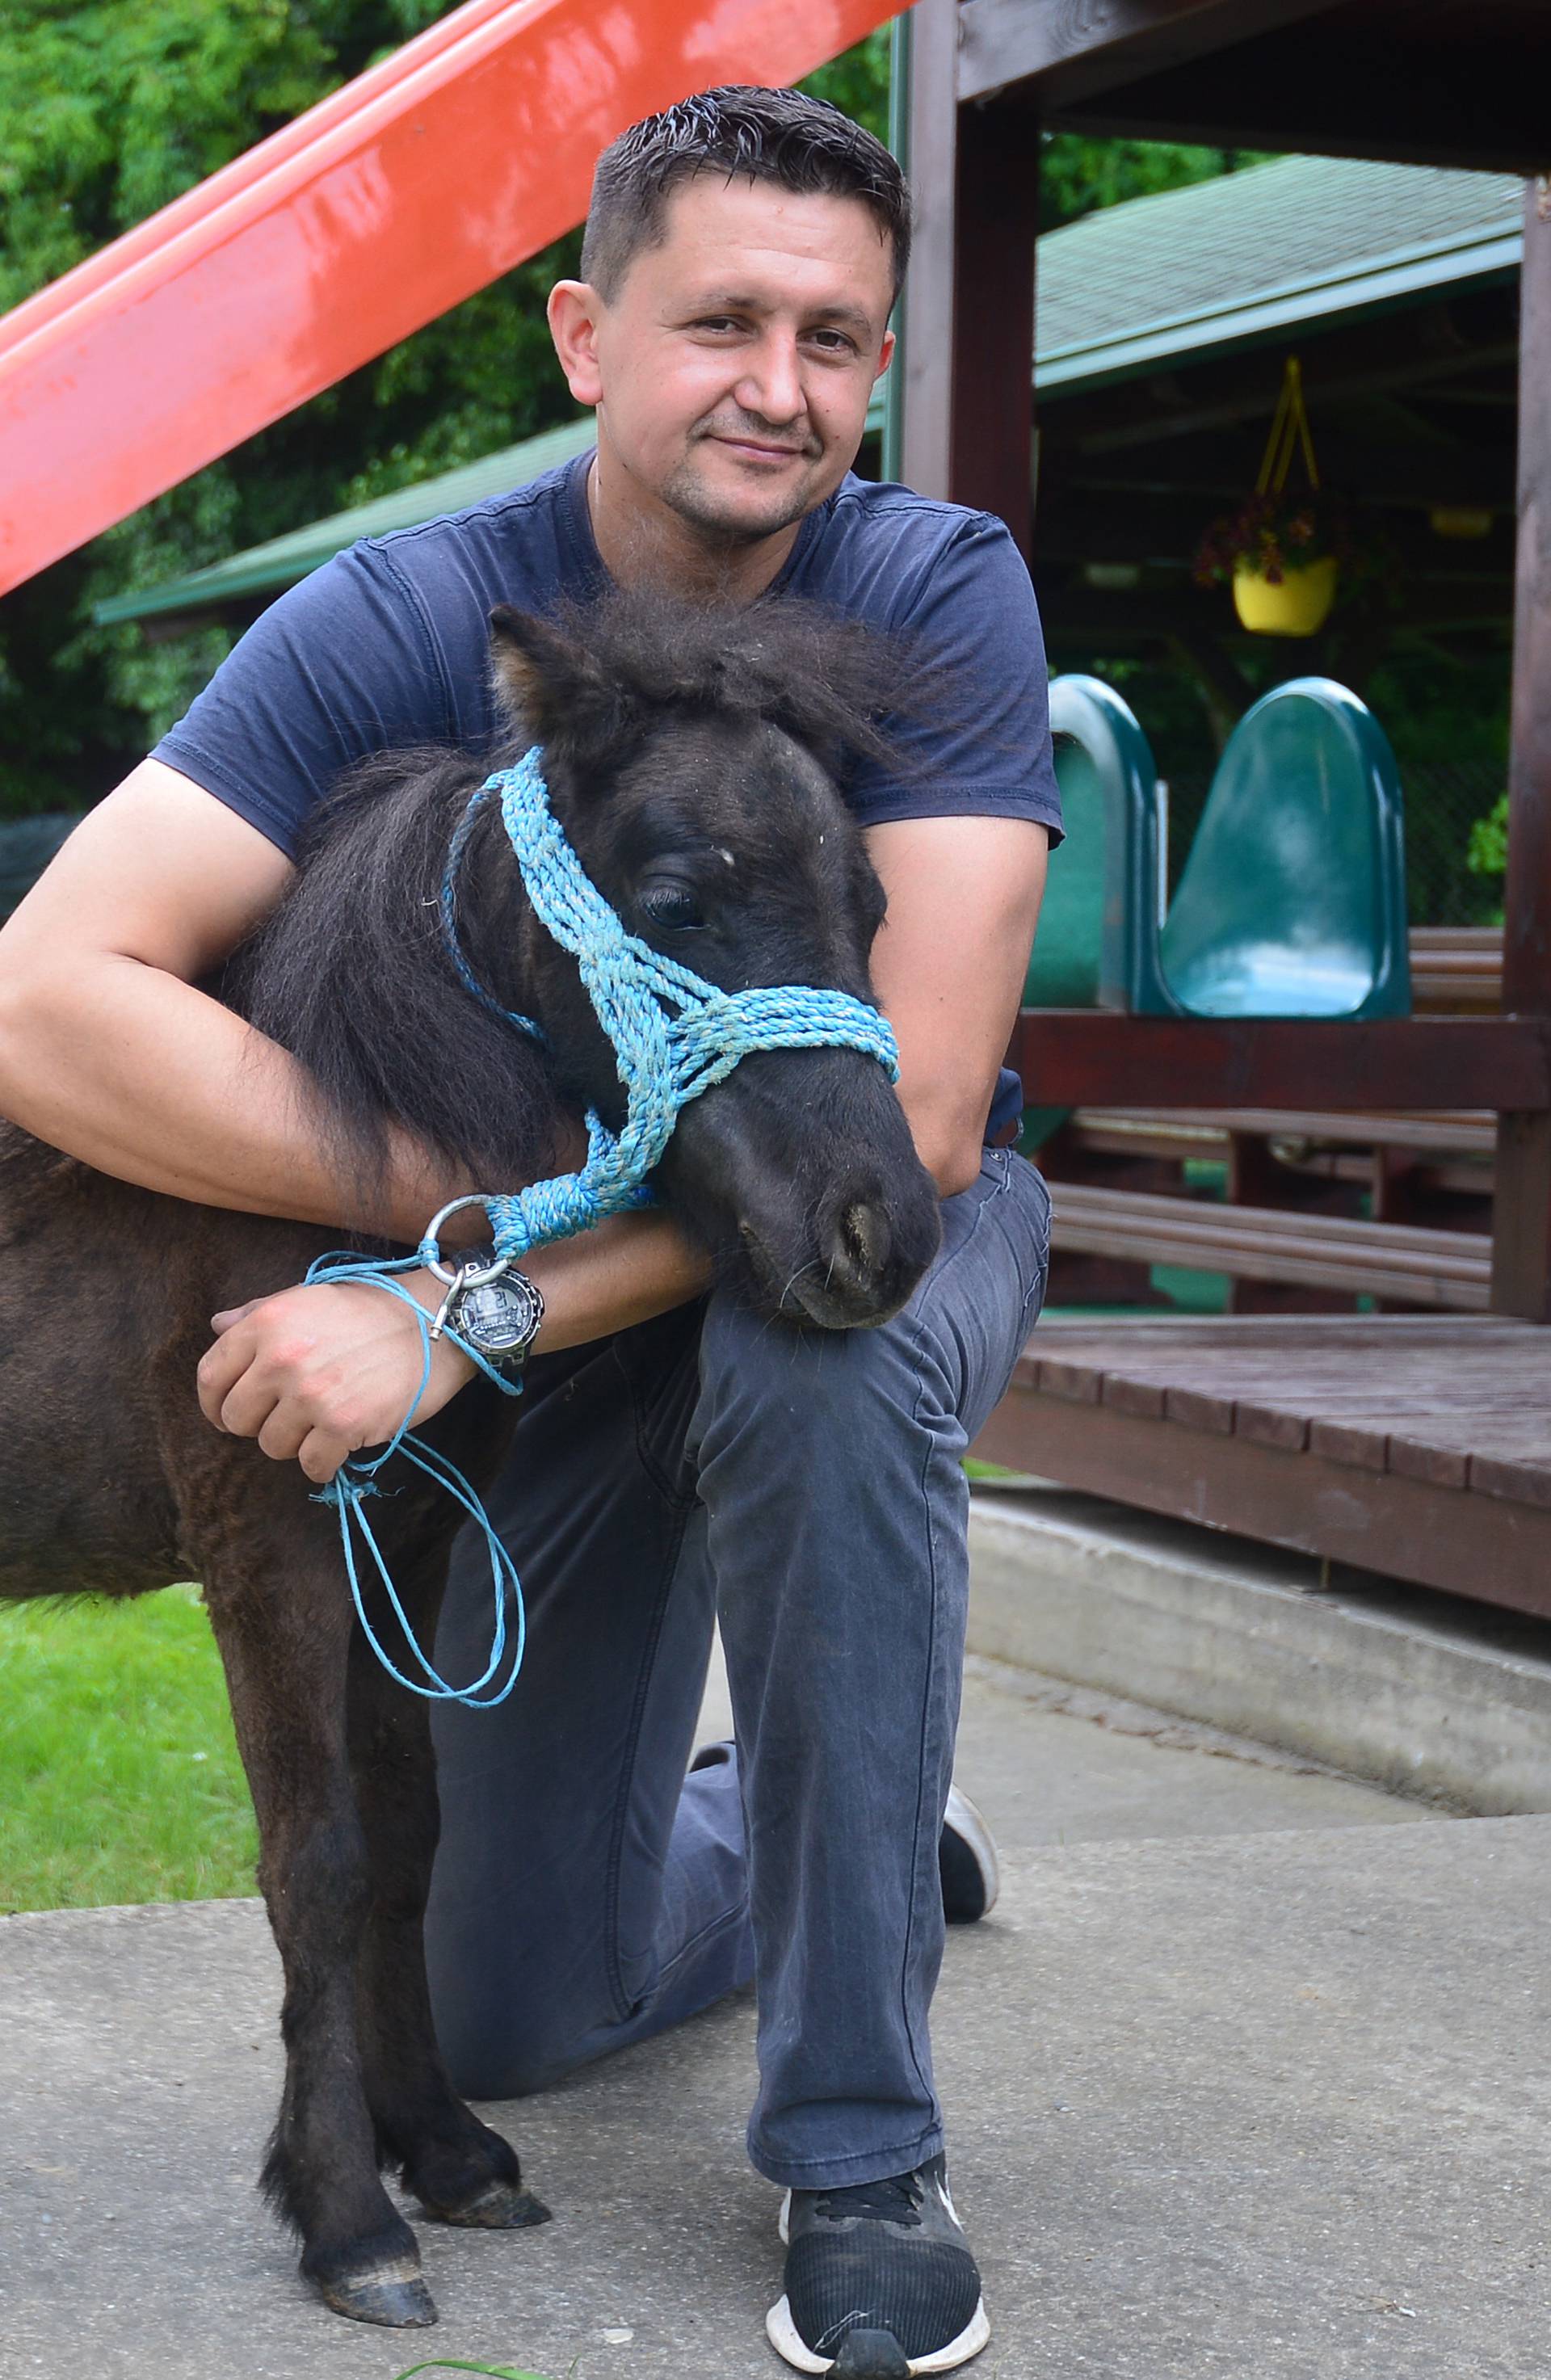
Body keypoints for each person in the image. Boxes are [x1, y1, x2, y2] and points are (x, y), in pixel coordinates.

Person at [0, 86, 1057, 2377]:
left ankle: (861, 2151)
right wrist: (440, 1250)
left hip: (853, 1227)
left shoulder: (935, 588)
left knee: (828, 1331)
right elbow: (45, 1001)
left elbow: (936, 1121)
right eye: (724, 322)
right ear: (585, 333)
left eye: (838, 338)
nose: (785, 386)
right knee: (503, 1999)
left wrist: (466, 1305)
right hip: (543, 1294)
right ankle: (821, 1836)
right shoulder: (391, 620)